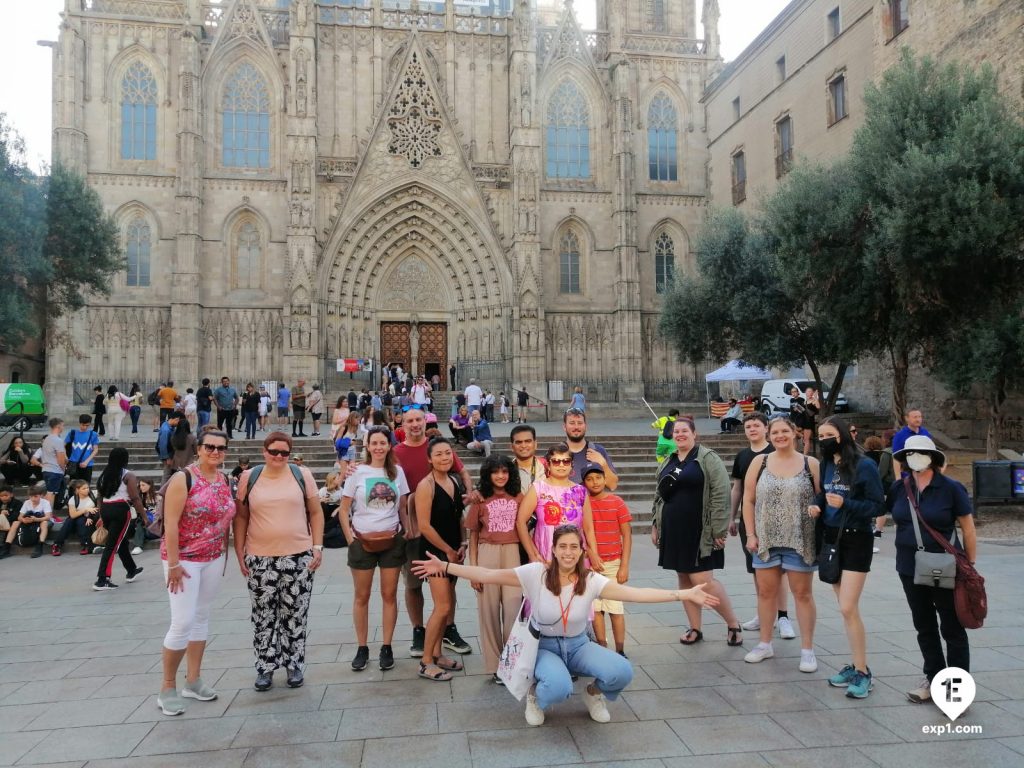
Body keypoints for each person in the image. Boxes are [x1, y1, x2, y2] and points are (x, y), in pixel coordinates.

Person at [413, 524, 720, 725]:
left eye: (575, 547)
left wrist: (684, 593)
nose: (569, 552)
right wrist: (446, 566)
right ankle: (535, 696)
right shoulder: (535, 573)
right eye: (563, 547)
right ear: (554, 549)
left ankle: (593, 693)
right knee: (557, 689)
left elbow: (636, 594)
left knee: (621, 671)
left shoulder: (592, 580)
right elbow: (487, 575)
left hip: (577, 645)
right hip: (543, 646)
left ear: (581, 550)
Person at [887, 434, 976, 704]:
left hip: (945, 566)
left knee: (952, 627)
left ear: (933, 459)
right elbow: (891, 515)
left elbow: (968, 528)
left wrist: (969, 565)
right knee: (923, 624)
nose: (915, 458)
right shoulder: (899, 488)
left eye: (920, 453)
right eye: (910, 453)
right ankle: (934, 678)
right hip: (909, 566)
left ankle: (956, 690)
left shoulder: (951, 488)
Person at [233, 432, 324, 691]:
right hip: (260, 557)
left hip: (298, 555)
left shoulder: (301, 474)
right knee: (263, 615)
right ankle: (265, 666)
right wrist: (240, 552)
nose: (279, 457)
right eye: (274, 451)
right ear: (264, 451)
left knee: (295, 613)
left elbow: (316, 512)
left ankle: (294, 663)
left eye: (284, 452)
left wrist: (317, 546)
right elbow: (241, 517)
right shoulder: (249, 477)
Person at [157, 429, 235, 716]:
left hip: (213, 557)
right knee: (183, 621)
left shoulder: (224, 479)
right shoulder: (183, 478)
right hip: (185, 559)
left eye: (221, 448)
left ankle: (193, 679)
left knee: (201, 617)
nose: (216, 452)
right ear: (198, 448)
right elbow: (171, 524)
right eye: (210, 447)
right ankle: (167, 687)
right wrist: (174, 563)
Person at [810, 416, 885, 699]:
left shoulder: (865, 465)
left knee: (847, 607)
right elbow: (825, 495)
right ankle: (856, 665)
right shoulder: (828, 464)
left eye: (828, 434)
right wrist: (816, 506)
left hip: (856, 539)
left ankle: (864, 672)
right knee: (847, 609)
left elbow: (878, 506)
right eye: (820, 435)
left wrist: (846, 504)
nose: (823, 439)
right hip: (831, 537)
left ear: (841, 435)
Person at [652, 418, 742, 646]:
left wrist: (719, 529)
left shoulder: (708, 458)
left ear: (694, 434)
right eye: (676, 432)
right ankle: (695, 628)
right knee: (683, 577)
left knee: (703, 580)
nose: (680, 434)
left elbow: (721, 494)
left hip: (701, 530)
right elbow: (659, 495)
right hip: (674, 529)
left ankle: (732, 623)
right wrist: (655, 524)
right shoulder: (668, 461)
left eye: (684, 431)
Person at [392, 408, 473, 658]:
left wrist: (468, 494)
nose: (415, 424)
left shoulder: (438, 447)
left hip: (446, 521)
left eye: (419, 420)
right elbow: (378, 475)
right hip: (414, 528)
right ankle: (419, 630)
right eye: (410, 421)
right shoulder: (396, 453)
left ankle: (448, 628)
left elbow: (462, 472)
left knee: (449, 582)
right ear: (402, 424)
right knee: (414, 582)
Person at [742, 417, 821, 671]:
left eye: (784, 431)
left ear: (795, 433)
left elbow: (821, 497)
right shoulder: (760, 462)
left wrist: (817, 508)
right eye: (775, 432)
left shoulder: (811, 463)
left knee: (802, 594)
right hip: (766, 538)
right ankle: (765, 643)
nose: (779, 435)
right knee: (766, 593)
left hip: (800, 538)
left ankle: (807, 650)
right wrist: (750, 534)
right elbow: (749, 499)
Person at [730, 413, 793, 639]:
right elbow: (737, 489)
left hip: (777, 519)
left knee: (781, 570)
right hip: (751, 521)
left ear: (766, 428)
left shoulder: (775, 452)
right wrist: (731, 517)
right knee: (757, 571)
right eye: (748, 426)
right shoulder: (743, 456)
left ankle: (783, 616)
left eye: (756, 425)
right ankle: (763, 613)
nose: (752, 429)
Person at [414, 437, 469, 681]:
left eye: (448, 453)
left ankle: (437, 654)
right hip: (434, 553)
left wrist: (463, 543)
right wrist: (447, 550)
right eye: (439, 454)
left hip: (452, 550)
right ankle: (426, 662)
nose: (444, 458)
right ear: (429, 459)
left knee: (446, 605)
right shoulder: (426, 486)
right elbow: (424, 526)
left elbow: (459, 517)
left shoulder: (454, 481)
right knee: (442, 606)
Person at [466, 455, 523, 682]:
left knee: (513, 611)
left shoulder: (519, 497)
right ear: (488, 475)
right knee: (488, 611)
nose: (500, 476)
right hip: (487, 553)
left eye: (504, 471)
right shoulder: (480, 500)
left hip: (512, 553)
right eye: (495, 472)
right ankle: (495, 665)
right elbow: (473, 535)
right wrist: (473, 569)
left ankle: (512, 662)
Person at [518, 443, 602, 570]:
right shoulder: (538, 488)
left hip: (576, 554)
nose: (561, 465)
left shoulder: (580, 491)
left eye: (566, 461)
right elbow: (520, 522)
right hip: (545, 555)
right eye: (556, 461)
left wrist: (594, 553)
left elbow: (589, 528)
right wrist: (533, 554)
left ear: (571, 464)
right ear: (549, 464)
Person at [584, 464, 633, 655]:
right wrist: (590, 553)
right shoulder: (584, 503)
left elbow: (627, 535)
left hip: (614, 564)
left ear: (605, 479)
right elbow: (583, 534)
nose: (594, 482)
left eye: (598, 477)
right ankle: (602, 647)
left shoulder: (617, 502)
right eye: (589, 479)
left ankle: (620, 650)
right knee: (595, 609)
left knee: (616, 608)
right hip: (591, 565)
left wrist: (624, 566)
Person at [94, 447, 147, 590]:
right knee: (112, 545)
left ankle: (131, 569)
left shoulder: (104, 474)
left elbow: (99, 495)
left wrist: (100, 514)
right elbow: (135, 498)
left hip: (105, 508)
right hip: (120, 510)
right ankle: (102, 578)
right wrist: (144, 516)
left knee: (120, 540)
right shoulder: (128, 475)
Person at [563, 408, 619, 489]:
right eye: (572, 423)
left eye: (580, 423)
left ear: (586, 426)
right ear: (564, 426)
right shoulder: (555, 454)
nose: (576, 427)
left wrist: (604, 464)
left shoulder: (598, 450)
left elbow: (613, 486)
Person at [864, 434, 896, 552]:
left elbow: (881, 471)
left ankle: (878, 530)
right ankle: (880, 529)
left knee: (881, 506)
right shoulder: (893, 452)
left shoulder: (885, 454)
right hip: (893, 482)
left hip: (883, 483)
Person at [51, 479, 98, 556]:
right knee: (69, 521)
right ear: (77, 490)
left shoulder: (93, 494)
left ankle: (85, 544)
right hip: (75, 519)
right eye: (84, 488)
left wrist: (90, 515)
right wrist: (85, 509)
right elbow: (72, 515)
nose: (87, 490)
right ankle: (57, 544)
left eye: (87, 488)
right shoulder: (73, 499)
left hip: (89, 518)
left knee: (81, 520)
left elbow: (98, 505)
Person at [5, 482, 52, 558]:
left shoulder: (45, 503)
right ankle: (7, 547)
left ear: (41, 495)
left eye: (36, 496)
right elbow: (19, 517)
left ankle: (40, 546)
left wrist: (36, 519)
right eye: (31, 496)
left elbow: (47, 517)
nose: (33, 499)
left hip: (41, 520)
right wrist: (23, 520)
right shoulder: (27, 502)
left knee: (44, 523)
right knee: (15, 523)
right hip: (31, 521)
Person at [891, 407, 931, 476]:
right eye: (915, 417)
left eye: (919, 417)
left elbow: (931, 453)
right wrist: (898, 479)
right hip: (908, 475)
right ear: (907, 418)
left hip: (925, 474)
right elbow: (896, 459)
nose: (918, 419)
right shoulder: (900, 436)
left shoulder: (926, 433)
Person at [38, 418, 67, 508]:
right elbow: (61, 459)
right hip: (55, 470)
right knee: (51, 494)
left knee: (49, 493)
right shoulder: (58, 440)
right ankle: (48, 516)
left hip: (46, 470)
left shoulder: (47, 439)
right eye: (62, 425)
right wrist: (63, 468)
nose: (63, 427)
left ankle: (48, 515)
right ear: (58, 426)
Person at [66, 415, 101, 484]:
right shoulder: (72, 433)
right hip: (74, 464)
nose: (85, 427)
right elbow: (62, 446)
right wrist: (65, 458)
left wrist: (86, 461)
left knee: (85, 486)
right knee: (73, 487)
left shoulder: (93, 434)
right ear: (80, 423)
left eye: (87, 425)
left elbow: (95, 449)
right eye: (83, 425)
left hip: (87, 465)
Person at [169, 415, 198, 479]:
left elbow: (172, 448)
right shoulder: (192, 437)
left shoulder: (173, 437)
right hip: (188, 464)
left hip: (176, 464)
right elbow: (196, 451)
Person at [788, 385, 814, 456]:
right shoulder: (791, 400)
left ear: (798, 392)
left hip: (801, 420)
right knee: (793, 436)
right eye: (792, 392)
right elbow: (791, 411)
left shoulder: (801, 400)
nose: (793, 393)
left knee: (795, 432)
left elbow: (803, 411)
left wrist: (798, 409)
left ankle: (804, 455)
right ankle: (794, 453)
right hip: (794, 420)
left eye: (795, 392)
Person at [157, 412, 181, 482]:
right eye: (178, 422)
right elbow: (163, 445)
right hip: (167, 456)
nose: (178, 424)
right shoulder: (166, 430)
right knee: (167, 475)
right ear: (176, 419)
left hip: (169, 455)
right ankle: (162, 492)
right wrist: (167, 458)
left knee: (168, 474)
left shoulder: (168, 426)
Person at [0, 485, 22, 559]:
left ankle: (6, 549)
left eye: (6, 495)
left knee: (11, 524)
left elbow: (16, 516)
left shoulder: (17, 503)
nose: (3, 497)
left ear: (11, 495)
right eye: (1, 496)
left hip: (12, 522)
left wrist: (6, 516)